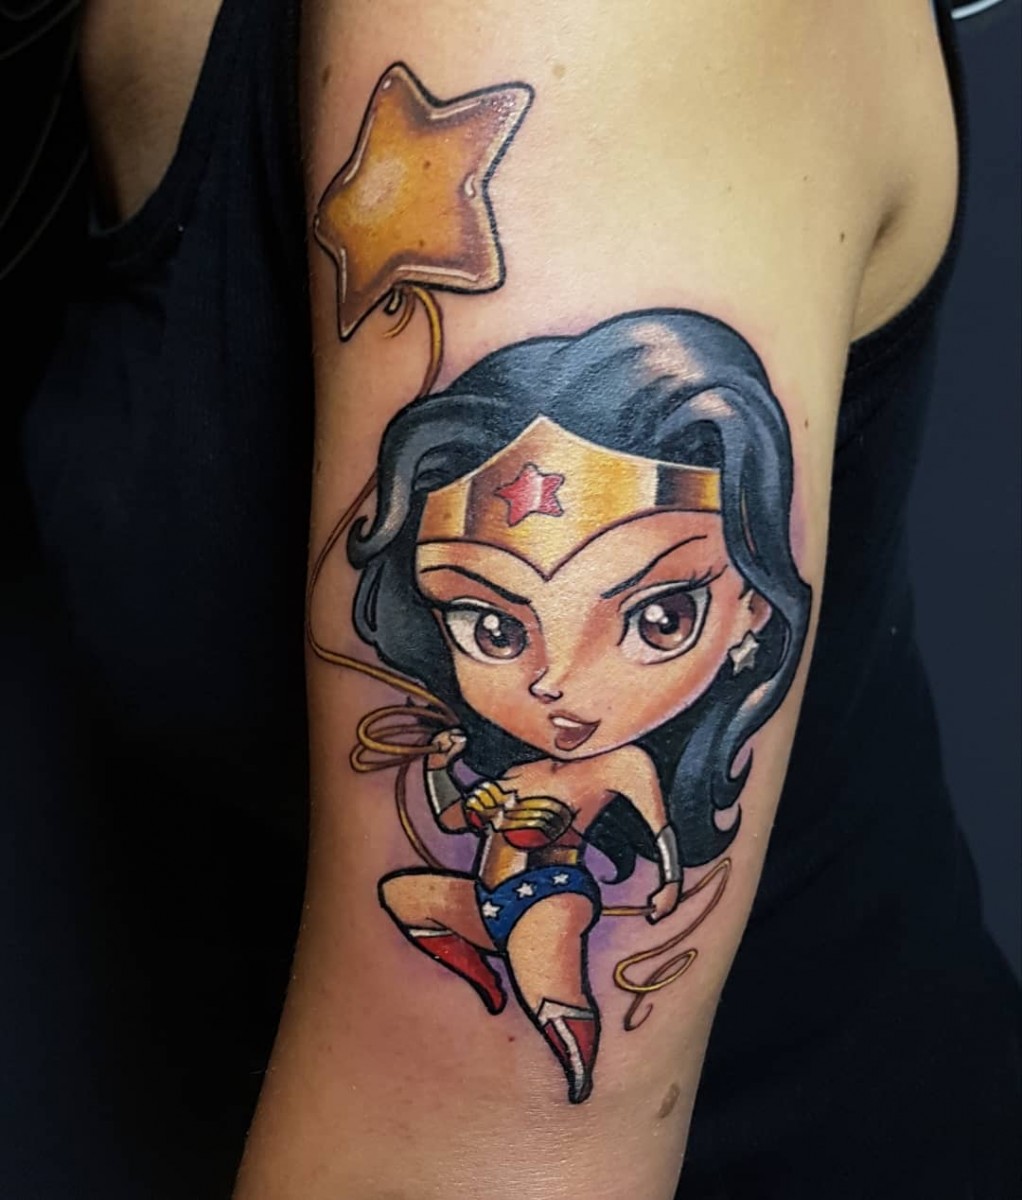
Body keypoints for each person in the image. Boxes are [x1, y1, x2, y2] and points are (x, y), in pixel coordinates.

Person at [13, 1, 1019, 1197]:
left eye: (655, 616)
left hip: (786, 1144)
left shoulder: (570, 31)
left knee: (542, 967)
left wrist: (638, 865)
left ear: (750, 605)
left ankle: (561, 1026)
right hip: (200, 1070)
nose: (552, 686)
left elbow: (474, 1155)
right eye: (489, 623)